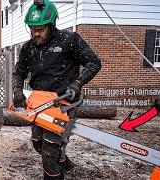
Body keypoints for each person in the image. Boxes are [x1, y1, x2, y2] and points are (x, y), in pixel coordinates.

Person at [12, 0, 102, 179]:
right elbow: (19, 73)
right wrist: (17, 91)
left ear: (52, 25)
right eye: (32, 29)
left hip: (64, 103)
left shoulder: (70, 40)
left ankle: (56, 169)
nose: (35, 33)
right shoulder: (28, 48)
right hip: (39, 104)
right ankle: (64, 162)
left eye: (40, 29)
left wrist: (77, 83)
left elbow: (94, 63)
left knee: (49, 154)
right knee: (38, 143)